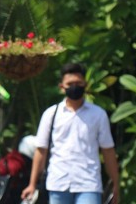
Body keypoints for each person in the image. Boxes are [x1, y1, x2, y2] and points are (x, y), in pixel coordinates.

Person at [21, 63, 119, 204]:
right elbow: (41, 150)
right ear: (62, 87)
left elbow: (108, 150)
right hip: (58, 183)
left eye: (78, 83)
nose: (75, 86)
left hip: (89, 184)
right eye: (70, 83)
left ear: (85, 84)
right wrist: (32, 184)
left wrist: (115, 184)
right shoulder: (51, 114)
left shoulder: (98, 114)